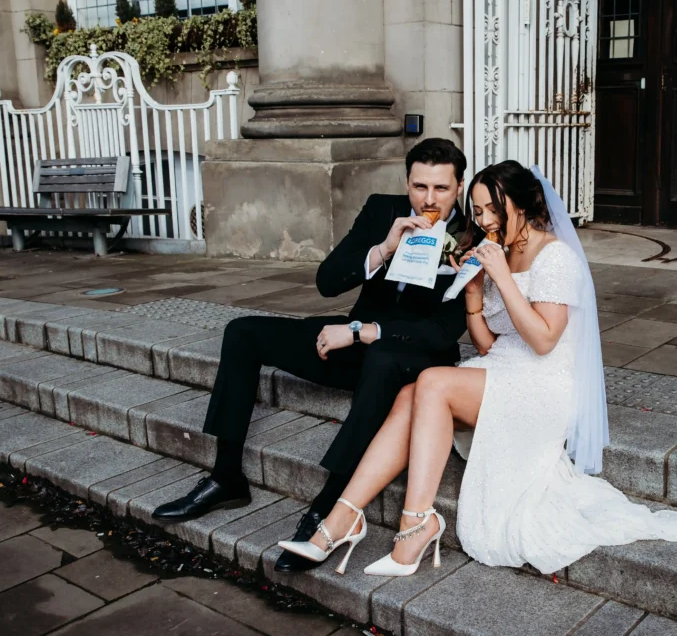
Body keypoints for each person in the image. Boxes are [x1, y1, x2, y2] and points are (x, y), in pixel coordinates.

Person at [278, 160, 677, 578]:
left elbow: (542, 340)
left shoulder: (555, 257)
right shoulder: (498, 250)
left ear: (519, 205)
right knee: (411, 394)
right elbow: (486, 344)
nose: (483, 221)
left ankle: (415, 523)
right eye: (478, 211)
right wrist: (475, 293)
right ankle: (341, 519)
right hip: (501, 369)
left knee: (431, 381)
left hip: (543, 384)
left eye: (492, 210)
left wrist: (503, 275)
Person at [152, 138, 471, 574]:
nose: (428, 199)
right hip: (352, 342)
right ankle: (226, 476)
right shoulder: (383, 210)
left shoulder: (472, 235)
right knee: (242, 332)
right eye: (419, 187)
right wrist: (382, 249)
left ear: (459, 187)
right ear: (407, 182)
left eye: (440, 189)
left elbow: (442, 331)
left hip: (413, 357)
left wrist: (361, 332)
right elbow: (326, 281)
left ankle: (327, 512)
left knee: (380, 362)